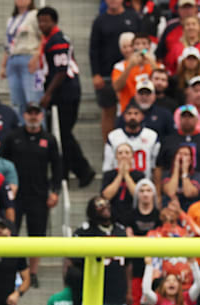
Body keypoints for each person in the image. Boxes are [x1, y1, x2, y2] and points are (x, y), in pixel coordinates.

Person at [1, 103, 61, 284]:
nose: (33, 116)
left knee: (38, 235)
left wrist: (55, 191)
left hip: (39, 195)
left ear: (42, 116)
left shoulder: (49, 139)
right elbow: (2, 163)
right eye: (30, 113)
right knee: (11, 232)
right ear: (24, 115)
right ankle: (12, 270)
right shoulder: (13, 137)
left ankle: (32, 273)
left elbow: (57, 167)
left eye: (36, 113)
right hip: (15, 195)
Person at [38, 7, 94, 187]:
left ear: (54, 21)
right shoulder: (51, 40)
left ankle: (82, 170)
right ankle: (66, 171)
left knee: (63, 134)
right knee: (61, 134)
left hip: (66, 93)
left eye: (46, 21)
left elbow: (61, 71)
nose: (42, 25)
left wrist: (48, 94)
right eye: (40, 21)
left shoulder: (58, 40)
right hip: (62, 93)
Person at [89, 0, 140, 139]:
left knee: (136, 109)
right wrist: (96, 74)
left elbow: (142, 40)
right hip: (107, 74)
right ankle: (109, 147)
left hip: (132, 71)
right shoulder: (100, 21)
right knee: (108, 111)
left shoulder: (133, 17)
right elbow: (94, 49)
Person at [3, 0, 42, 116]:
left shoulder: (35, 15)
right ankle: (21, 131)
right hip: (12, 59)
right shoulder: (11, 19)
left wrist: (37, 57)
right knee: (16, 102)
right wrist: (3, 65)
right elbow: (8, 44)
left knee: (33, 100)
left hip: (29, 58)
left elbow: (43, 37)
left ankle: (39, 131)